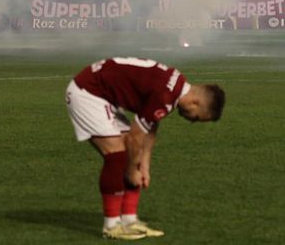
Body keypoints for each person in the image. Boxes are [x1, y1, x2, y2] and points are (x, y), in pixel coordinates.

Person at [64, 57, 225, 240]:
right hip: (88, 93)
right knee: (117, 156)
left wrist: (144, 164)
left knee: (134, 155)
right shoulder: (165, 96)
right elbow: (135, 137)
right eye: (196, 118)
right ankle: (111, 226)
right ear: (195, 103)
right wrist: (132, 170)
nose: (191, 121)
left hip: (103, 95)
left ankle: (129, 220)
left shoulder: (176, 86)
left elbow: (150, 125)